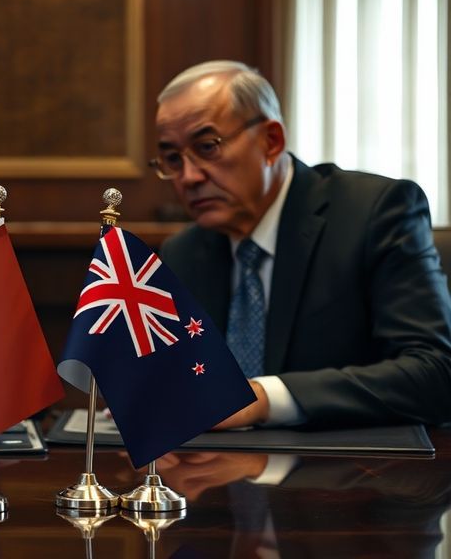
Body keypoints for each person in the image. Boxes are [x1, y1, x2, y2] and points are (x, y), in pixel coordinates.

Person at [154, 60, 451, 429]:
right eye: (171, 158)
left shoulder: (374, 213)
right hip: (213, 474)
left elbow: (435, 373)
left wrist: (262, 398)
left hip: (351, 475)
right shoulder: (183, 252)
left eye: (207, 146)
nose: (189, 177)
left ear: (271, 141)